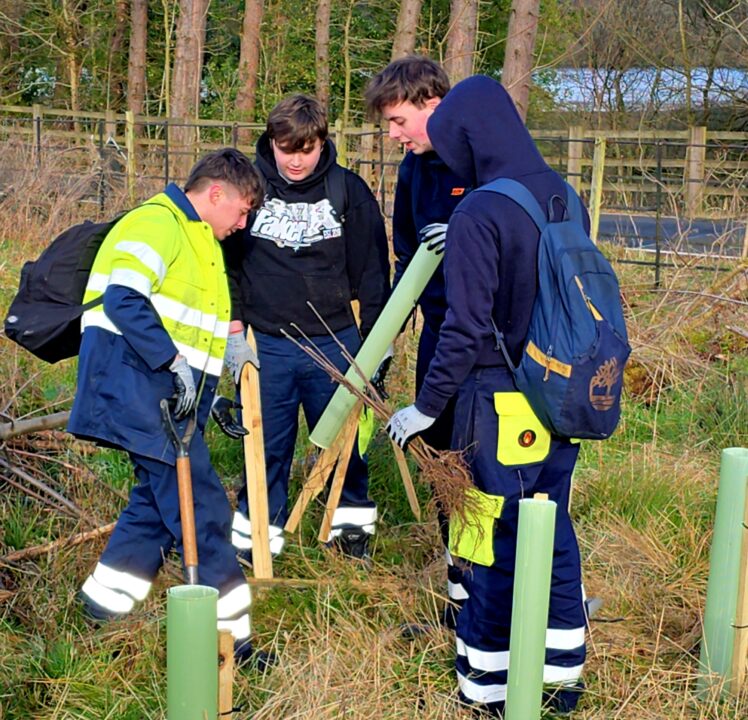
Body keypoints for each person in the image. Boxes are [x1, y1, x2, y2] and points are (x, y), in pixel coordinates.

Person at [386, 76, 587, 716]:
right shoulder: (561, 193)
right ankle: (561, 673)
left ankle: (486, 683)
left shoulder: (478, 211)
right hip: (557, 392)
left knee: (484, 535)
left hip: (492, 398)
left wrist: (426, 406)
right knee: (550, 527)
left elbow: (465, 330)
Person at [70, 148, 266, 664]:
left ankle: (98, 611)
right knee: (201, 507)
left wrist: (216, 384)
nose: (242, 223)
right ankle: (232, 643)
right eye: (242, 210)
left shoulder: (199, 240)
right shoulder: (158, 222)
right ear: (216, 192)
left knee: (155, 512)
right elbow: (123, 299)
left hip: (161, 395)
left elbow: (191, 331)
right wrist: (171, 362)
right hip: (137, 388)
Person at [223, 94, 390, 562]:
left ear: (322, 143)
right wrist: (234, 334)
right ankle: (257, 537)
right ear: (270, 143)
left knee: (346, 446)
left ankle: (350, 527)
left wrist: (379, 345)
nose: (296, 161)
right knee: (264, 446)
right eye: (286, 149)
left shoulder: (349, 191)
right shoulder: (249, 190)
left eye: (307, 149)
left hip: (335, 343)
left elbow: (375, 274)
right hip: (267, 345)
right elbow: (227, 266)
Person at [365, 55, 474, 625]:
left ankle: (491, 593)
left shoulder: (483, 159)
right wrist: (386, 337)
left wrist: (465, 230)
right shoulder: (413, 170)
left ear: (435, 104)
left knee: (483, 465)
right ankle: (458, 593)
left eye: (399, 121)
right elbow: (405, 258)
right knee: (441, 461)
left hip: (486, 346)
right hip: (437, 336)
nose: (392, 136)